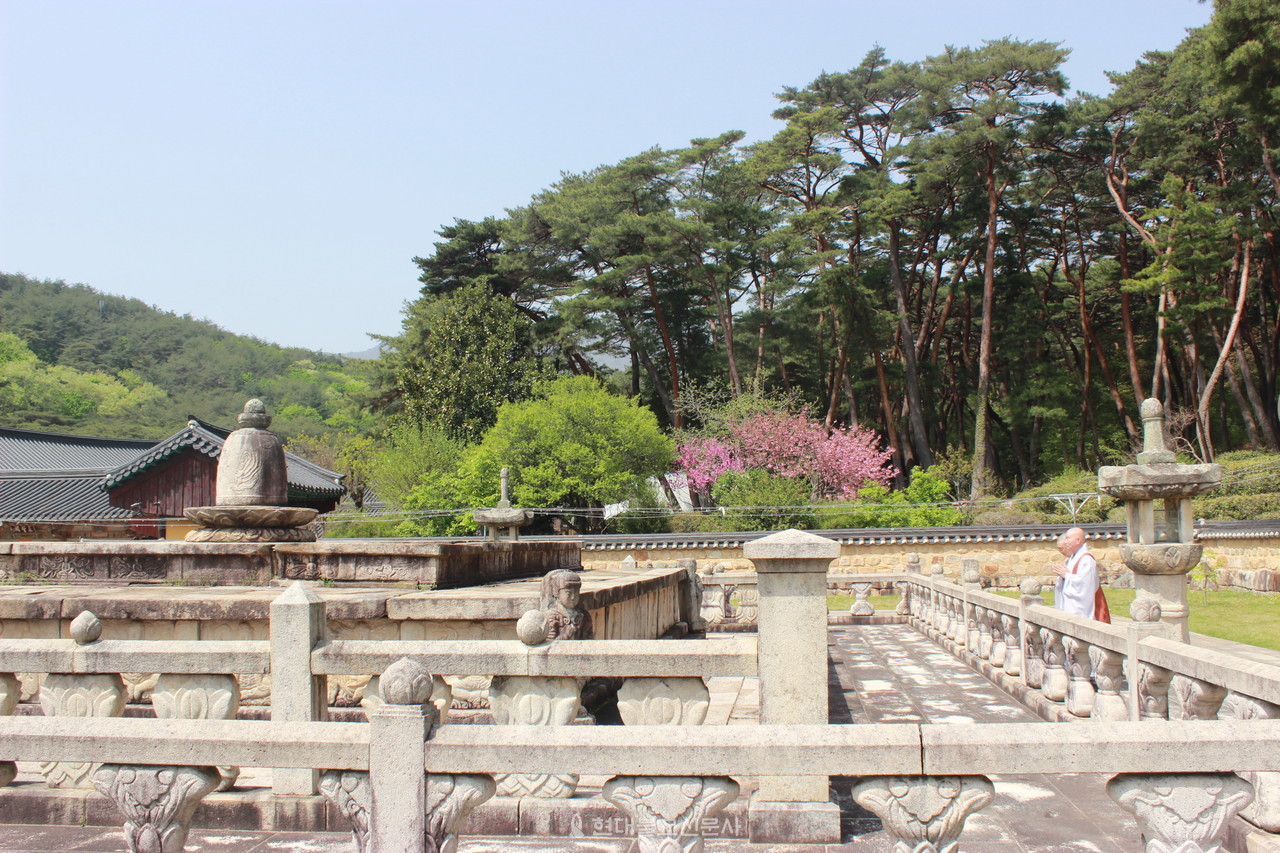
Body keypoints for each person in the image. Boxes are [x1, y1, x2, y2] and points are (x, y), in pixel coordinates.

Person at [1052, 527, 1110, 622]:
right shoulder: (1072, 558)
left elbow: (1085, 585)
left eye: (1068, 538)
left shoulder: (1086, 559)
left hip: (1083, 610)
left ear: (1078, 540)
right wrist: (1062, 577)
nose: (1065, 542)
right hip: (1070, 606)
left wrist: (1066, 575)